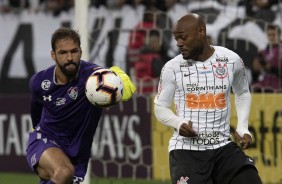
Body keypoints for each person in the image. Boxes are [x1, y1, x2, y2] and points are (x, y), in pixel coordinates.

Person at [154, 13, 262, 184]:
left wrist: (242, 127)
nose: (178, 43)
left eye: (183, 37)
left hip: (222, 147)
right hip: (186, 151)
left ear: (201, 31)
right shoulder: (172, 68)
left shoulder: (230, 60)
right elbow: (160, 107)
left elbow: (242, 92)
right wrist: (177, 123)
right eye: (176, 38)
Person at [26, 27, 136, 184]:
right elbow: (35, 107)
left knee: (64, 174)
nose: (69, 57)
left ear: (81, 51)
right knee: (64, 172)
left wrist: (120, 81)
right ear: (53, 55)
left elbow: (121, 86)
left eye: (74, 51)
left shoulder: (93, 77)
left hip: (77, 154)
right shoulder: (39, 82)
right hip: (45, 139)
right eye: (63, 53)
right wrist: (35, 130)